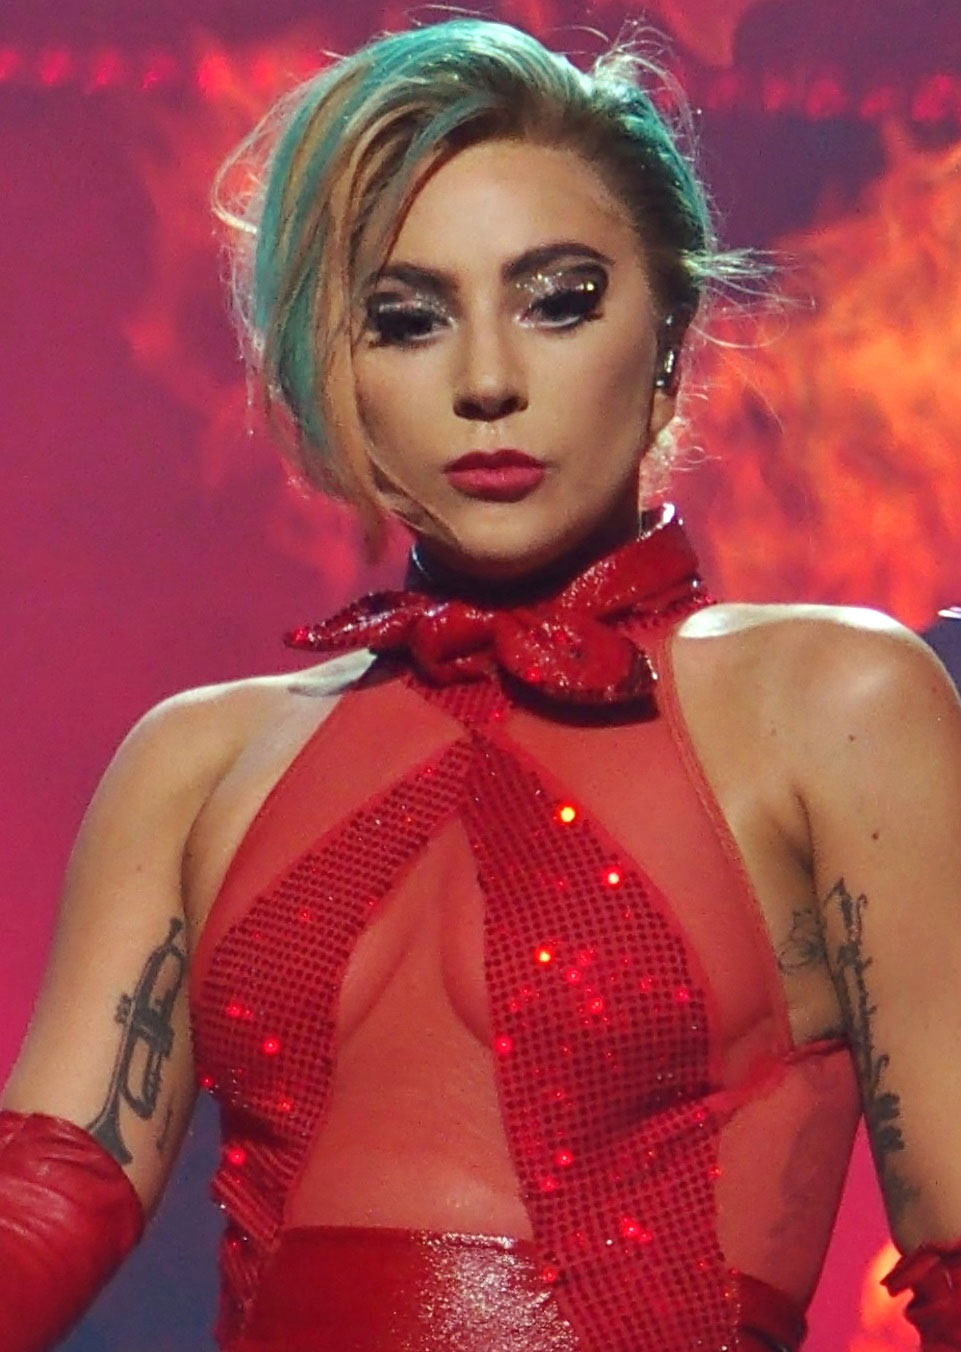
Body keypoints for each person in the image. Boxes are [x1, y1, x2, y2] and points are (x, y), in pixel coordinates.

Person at [1, 17, 961, 1352]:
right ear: (330, 368)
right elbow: (45, 1207)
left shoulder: (833, 702)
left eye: (559, 300)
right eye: (407, 320)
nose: (488, 381)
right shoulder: (198, 763)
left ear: (670, 335)